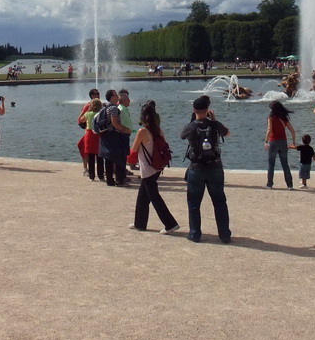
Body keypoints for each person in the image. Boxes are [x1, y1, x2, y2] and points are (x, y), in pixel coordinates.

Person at [179, 95, 232, 243]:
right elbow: (227, 133)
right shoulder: (214, 124)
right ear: (208, 110)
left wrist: (193, 120)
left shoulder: (191, 126)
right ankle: (224, 234)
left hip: (197, 167)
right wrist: (214, 120)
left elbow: (182, 136)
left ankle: (195, 233)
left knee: (194, 203)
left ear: (194, 110)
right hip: (215, 166)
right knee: (220, 201)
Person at [129, 101, 180, 234]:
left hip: (147, 168)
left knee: (154, 197)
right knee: (142, 196)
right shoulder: (159, 130)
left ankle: (170, 224)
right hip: (157, 167)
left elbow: (134, 149)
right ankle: (139, 223)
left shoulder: (142, 132)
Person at [96, 90, 132, 186]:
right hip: (113, 135)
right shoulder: (114, 108)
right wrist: (125, 129)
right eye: (116, 95)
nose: (117, 97)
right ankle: (120, 180)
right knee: (118, 157)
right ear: (112, 97)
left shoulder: (105, 107)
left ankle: (110, 180)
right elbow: (115, 123)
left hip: (105, 134)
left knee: (108, 158)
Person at [264, 100, 296, 189]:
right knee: (285, 164)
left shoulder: (271, 117)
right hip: (283, 142)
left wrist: (266, 142)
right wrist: (293, 142)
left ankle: (269, 184)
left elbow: (269, 130)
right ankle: (290, 185)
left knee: (271, 164)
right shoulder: (284, 118)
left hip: (273, 142)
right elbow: (292, 131)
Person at [77, 99, 104, 181]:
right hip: (98, 134)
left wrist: (87, 111)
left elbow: (81, 120)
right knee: (100, 157)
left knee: (91, 157)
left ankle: (91, 176)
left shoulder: (88, 114)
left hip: (89, 134)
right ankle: (101, 175)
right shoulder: (100, 114)